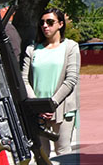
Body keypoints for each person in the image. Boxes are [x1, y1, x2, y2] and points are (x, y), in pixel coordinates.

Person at [21, 8, 80, 155]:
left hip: (63, 108)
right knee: (41, 156)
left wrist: (52, 104)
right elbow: (24, 79)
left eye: (50, 22)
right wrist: (38, 106)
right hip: (37, 112)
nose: (45, 26)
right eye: (42, 23)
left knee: (63, 154)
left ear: (60, 24)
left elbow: (71, 79)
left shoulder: (71, 47)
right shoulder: (32, 49)